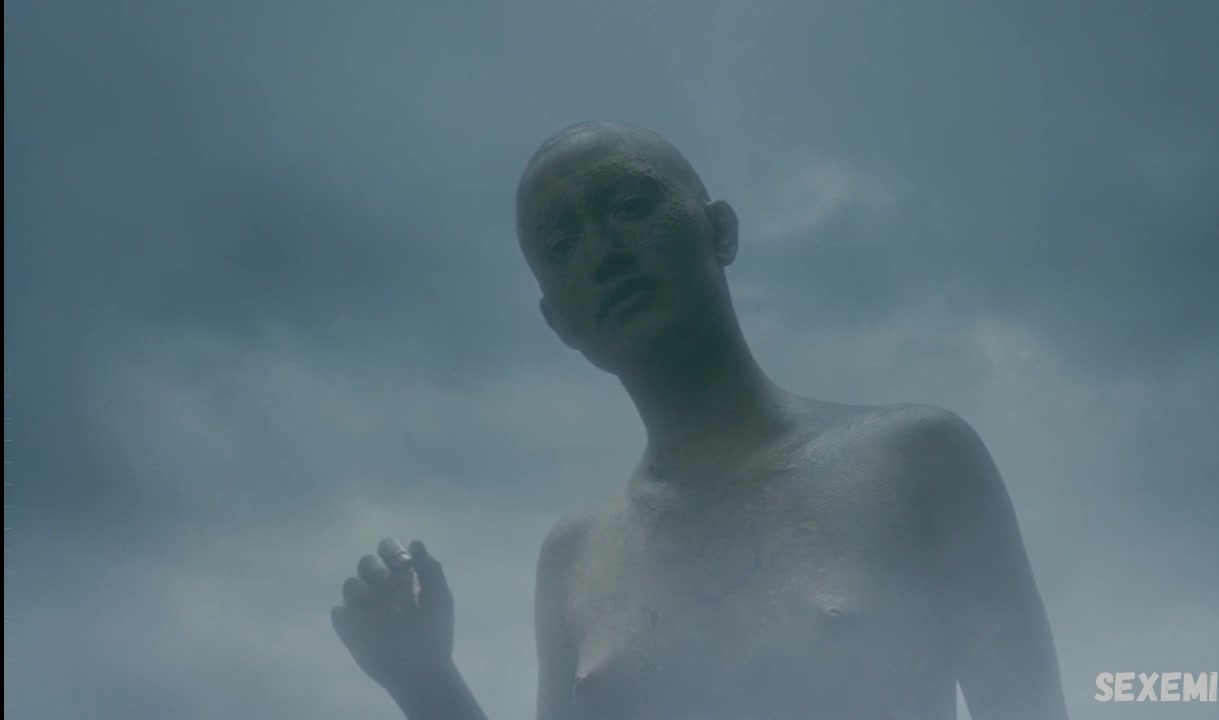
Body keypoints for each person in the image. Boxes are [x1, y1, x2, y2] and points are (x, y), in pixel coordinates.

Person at [331, 121, 1068, 720]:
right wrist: (423, 681)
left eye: (629, 205)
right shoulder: (575, 557)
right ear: (560, 323)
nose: (601, 252)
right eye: (561, 246)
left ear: (720, 232)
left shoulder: (915, 462)